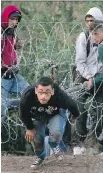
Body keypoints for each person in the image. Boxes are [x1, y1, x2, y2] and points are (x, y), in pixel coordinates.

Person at [20, 76, 79, 169]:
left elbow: (72, 105)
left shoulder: (59, 95)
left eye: (47, 92)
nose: (43, 96)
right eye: (40, 92)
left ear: (52, 91)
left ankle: (54, 144)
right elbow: (23, 113)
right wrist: (29, 127)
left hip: (55, 114)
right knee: (37, 140)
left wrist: (75, 115)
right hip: (36, 116)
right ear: (36, 90)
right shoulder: (27, 95)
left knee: (56, 132)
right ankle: (40, 157)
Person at [72, 7, 103, 153]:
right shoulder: (83, 37)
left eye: (93, 20)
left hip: (99, 77)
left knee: (99, 110)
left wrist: (96, 79)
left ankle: (94, 141)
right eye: (88, 20)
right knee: (79, 108)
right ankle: (79, 140)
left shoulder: (101, 36)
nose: (90, 23)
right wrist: (89, 77)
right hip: (83, 75)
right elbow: (80, 62)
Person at [1, 4, 29, 122]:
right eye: (12, 19)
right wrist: (4, 67)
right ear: (5, 18)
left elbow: (12, 51)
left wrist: (17, 46)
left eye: (16, 19)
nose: (14, 22)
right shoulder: (1, 34)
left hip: (14, 75)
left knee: (30, 93)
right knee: (1, 109)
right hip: (2, 77)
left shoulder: (12, 34)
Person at [84, 21, 103, 154]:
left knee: (98, 114)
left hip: (99, 85)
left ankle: (97, 144)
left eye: (95, 35)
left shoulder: (101, 47)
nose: (94, 39)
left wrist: (93, 81)